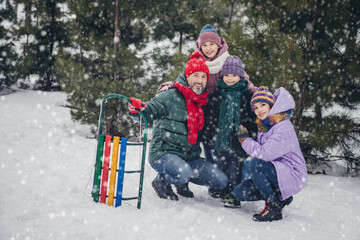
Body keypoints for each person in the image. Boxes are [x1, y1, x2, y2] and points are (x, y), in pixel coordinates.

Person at [157, 24, 258, 197]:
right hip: (200, 111)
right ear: (199, 47)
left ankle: (219, 184)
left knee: (219, 151)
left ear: (219, 45)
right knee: (194, 147)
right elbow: (184, 80)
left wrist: (260, 94)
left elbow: (245, 82)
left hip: (220, 113)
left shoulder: (228, 62)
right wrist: (170, 85)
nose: (208, 48)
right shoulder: (197, 62)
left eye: (212, 44)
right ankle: (179, 181)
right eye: (205, 45)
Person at [128, 52, 229, 201]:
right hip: (164, 153)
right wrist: (137, 109)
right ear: (187, 76)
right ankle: (161, 181)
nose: (199, 81)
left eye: (203, 77)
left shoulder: (201, 100)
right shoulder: (170, 96)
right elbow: (148, 111)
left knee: (221, 180)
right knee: (183, 172)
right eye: (196, 76)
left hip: (190, 157)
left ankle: (182, 181)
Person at [226, 87, 308, 222]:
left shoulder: (283, 126)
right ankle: (281, 197)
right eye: (256, 107)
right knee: (239, 192)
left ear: (271, 105)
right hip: (277, 171)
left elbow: (265, 154)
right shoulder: (265, 126)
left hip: (293, 174)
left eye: (263, 105)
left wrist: (245, 140)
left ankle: (273, 207)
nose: (259, 110)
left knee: (254, 163)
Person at [200, 55, 257, 205]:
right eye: (226, 75)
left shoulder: (246, 95)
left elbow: (251, 120)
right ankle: (222, 188)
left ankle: (233, 194)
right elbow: (210, 117)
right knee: (222, 166)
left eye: (234, 75)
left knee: (235, 168)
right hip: (221, 138)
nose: (230, 79)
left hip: (239, 140)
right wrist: (209, 136)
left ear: (240, 76)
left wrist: (250, 137)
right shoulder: (218, 95)